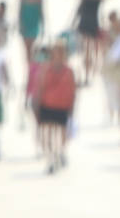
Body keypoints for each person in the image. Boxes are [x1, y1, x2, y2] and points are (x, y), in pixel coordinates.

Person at [34, 39, 76, 174]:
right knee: (48, 133)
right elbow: (40, 88)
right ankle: (51, 158)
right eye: (55, 51)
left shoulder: (69, 70)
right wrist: (37, 106)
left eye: (60, 51)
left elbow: (73, 90)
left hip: (62, 106)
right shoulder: (46, 68)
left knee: (61, 133)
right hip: (47, 105)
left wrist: (72, 108)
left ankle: (59, 152)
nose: (57, 54)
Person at [73, 0, 105, 85]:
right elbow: (80, 6)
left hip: (93, 22)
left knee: (91, 49)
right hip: (85, 21)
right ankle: (86, 73)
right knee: (85, 50)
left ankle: (90, 73)